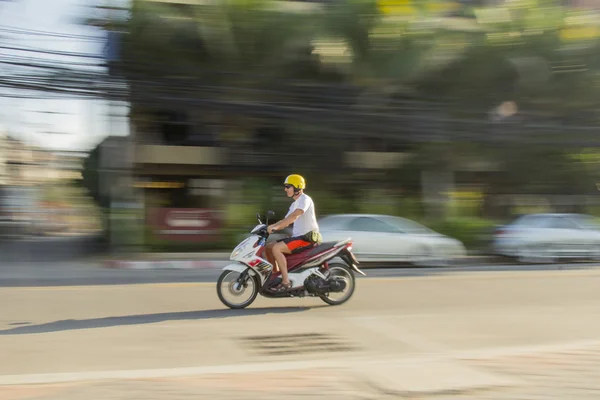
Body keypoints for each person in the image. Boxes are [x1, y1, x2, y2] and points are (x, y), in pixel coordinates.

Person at [266, 174, 321, 292]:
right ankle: (276, 275)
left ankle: (285, 282)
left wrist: (276, 227)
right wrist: (271, 226)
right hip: (298, 237)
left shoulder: (305, 199)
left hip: (307, 238)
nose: (285, 189)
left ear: (297, 187)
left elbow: (294, 216)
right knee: (269, 247)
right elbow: (286, 220)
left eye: (288, 186)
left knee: (276, 249)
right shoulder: (294, 203)